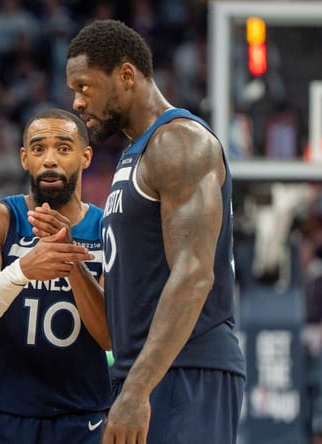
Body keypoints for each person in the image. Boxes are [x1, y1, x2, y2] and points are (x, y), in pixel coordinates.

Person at [51, 19, 247, 444]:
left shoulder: (178, 143)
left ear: (125, 75)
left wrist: (139, 388)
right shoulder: (134, 156)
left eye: (84, 87)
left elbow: (194, 275)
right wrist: (71, 264)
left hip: (185, 370)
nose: (77, 102)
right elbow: (114, 327)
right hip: (143, 372)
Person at [0, 108, 110, 443]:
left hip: (81, 418)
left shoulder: (107, 229)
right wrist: (25, 269)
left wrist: (70, 263)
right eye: (39, 149)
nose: (50, 160)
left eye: (64, 148)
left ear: (85, 157)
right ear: (24, 158)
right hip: (0, 415)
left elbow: (110, 336)